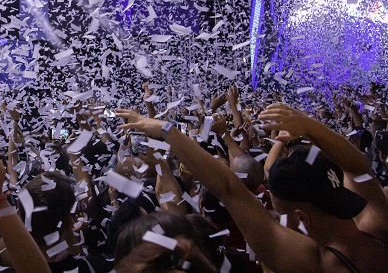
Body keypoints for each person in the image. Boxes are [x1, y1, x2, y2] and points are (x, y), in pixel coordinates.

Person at [119, 102, 388, 273]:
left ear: (301, 218)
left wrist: (168, 131)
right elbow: (358, 167)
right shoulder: (378, 222)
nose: (276, 217)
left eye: (280, 213)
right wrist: (308, 126)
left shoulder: (313, 264)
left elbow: (229, 189)